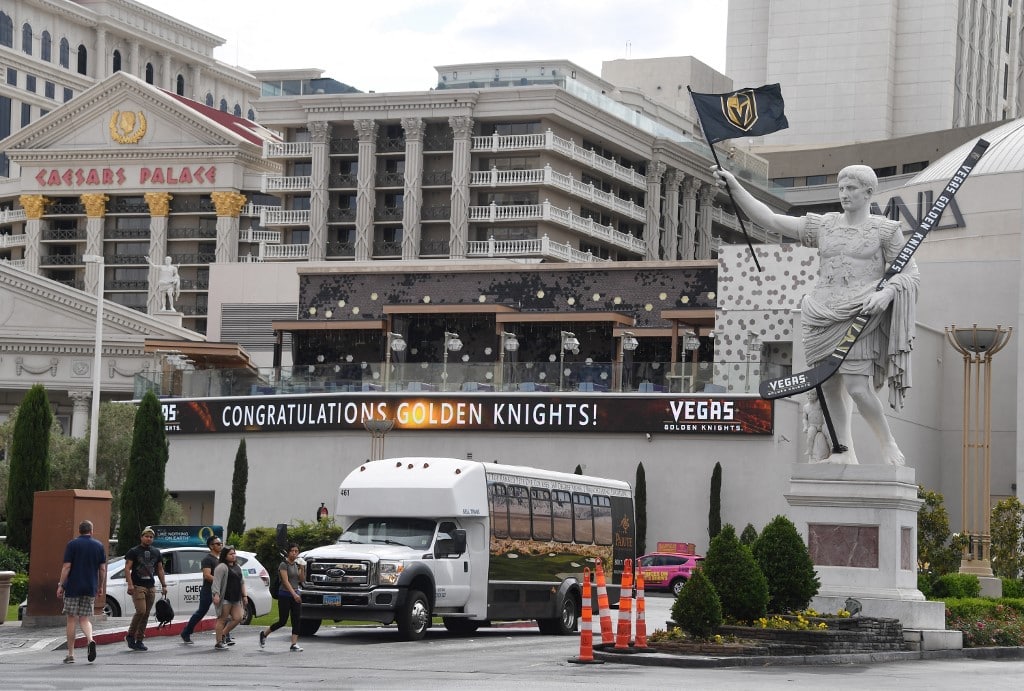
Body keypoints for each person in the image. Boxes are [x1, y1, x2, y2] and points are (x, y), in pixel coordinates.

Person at [713, 163, 919, 465]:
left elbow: (910, 272)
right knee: (828, 386)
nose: (844, 194)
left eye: (851, 188)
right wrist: (735, 187)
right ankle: (843, 451)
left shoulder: (885, 231)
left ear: (869, 192)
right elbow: (770, 220)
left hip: (859, 312)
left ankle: (887, 443)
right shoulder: (824, 225)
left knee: (857, 387)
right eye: (841, 188)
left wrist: (886, 293)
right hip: (820, 312)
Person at [57, 520, 107, 664]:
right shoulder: (98, 546)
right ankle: (90, 640)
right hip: (90, 587)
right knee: (84, 618)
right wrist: (100, 586)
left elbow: (66, 567)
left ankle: (71, 654)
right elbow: (102, 569)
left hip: (72, 587)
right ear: (91, 531)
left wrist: (61, 585)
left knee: (71, 618)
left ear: (79, 531)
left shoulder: (72, 544)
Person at [124, 526, 168, 651]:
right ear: (141, 537)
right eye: (146, 536)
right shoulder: (133, 551)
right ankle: (130, 635)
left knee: (146, 614)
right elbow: (127, 568)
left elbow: (159, 569)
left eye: (151, 537)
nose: (148, 539)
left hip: (151, 586)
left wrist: (164, 585)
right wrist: (130, 584)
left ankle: (139, 640)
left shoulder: (156, 552)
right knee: (141, 611)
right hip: (138, 586)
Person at [259, 543, 305, 652]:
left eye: (296, 551)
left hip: (296, 594)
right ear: (288, 552)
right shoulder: (283, 565)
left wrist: (302, 568)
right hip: (285, 594)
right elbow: (285, 581)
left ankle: (294, 644)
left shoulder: (296, 565)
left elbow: (301, 580)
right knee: (282, 621)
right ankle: (264, 634)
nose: (294, 553)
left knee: (296, 619)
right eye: (292, 551)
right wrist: (294, 595)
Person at [180, 534, 223, 644]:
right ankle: (186, 632)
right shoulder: (207, 559)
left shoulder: (220, 559)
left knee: (223, 613)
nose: (220, 545)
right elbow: (207, 576)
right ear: (211, 546)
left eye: (221, 543)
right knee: (201, 612)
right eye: (218, 544)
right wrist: (220, 581)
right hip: (208, 590)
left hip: (219, 591)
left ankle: (224, 635)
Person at [211, 545, 248, 650]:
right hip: (225, 597)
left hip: (236, 598)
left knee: (238, 618)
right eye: (230, 554)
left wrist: (244, 595)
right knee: (222, 619)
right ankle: (219, 642)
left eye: (234, 553)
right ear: (225, 555)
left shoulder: (238, 567)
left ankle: (223, 634)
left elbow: (242, 582)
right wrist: (216, 595)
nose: (233, 556)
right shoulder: (221, 567)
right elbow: (216, 582)